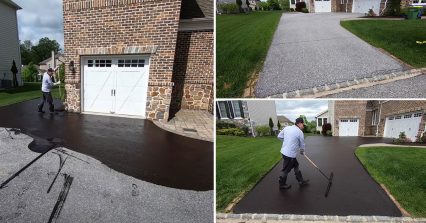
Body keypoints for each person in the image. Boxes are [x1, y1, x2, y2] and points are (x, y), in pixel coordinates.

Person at [277, 117, 309, 189]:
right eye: (303, 124)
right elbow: (302, 144)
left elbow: (279, 136)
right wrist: (302, 151)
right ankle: (282, 184)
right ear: (299, 123)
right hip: (290, 155)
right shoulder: (300, 132)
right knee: (286, 170)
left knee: (296, 165)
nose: (303, 126)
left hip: (284, 152)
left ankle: (301, 181)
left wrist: (287, 142)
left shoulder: (287, 128)